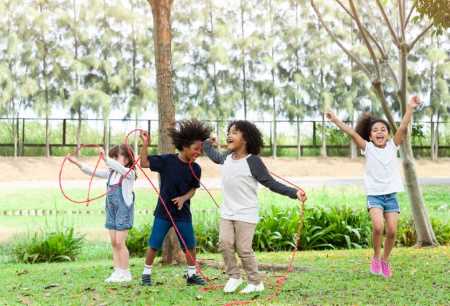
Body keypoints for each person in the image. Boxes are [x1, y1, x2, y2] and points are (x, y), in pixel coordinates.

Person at [203, 120, 307, 294]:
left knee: (244, 249)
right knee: (225, 243)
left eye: (235, 132)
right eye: (229, 132)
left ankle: (255, 282)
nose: (229, 135)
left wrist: (294, 192)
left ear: (245, 138)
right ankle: (234, 276)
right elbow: (214, 156)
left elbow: (271, 183)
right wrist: (207, 143)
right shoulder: (226, 157)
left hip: (246, 213)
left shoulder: (253, 161)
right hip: (227, 212)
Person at [326, 96, 422, 278]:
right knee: (378, 227)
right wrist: (336, 119)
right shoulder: (367, 148)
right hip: (375, 196)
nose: (379, 132)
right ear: (370, 136)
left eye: (383, 129)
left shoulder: (393, 146)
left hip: (391, 196)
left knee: (392, 230)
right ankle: (376, 257)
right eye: (375, 130)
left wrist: (410, 108)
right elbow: (352, 133)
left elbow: (402, 127)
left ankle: (385, 260)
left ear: (388, 134)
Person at [139, 120, 212, 286]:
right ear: (184, 146)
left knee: (190, 244)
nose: (198, 152)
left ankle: (192, 275)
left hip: (182, 213)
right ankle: (146, 274)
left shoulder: (196, 169)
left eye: (200, 150)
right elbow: (144, 163)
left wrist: (184, 198)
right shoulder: (167, 161)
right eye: (195, 149)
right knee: (154, 243)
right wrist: (145, 144)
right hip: (164, 212)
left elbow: (193, 189)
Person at [68, 144, 136, 282]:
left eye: (117, 157)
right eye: (113, 158)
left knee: (119, 242)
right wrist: (77, 163)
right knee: (113, 242)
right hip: (111, 210)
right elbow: (92, 171)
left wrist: (106, 158)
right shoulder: (111, 174)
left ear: (127, 160)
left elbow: (120, 168)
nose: (113, 160)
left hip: (123, 211)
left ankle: (125, 272)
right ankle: (117, 271)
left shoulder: (129, 174)